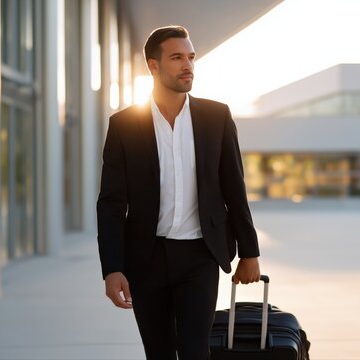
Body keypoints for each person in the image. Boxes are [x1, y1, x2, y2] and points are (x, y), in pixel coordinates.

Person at [96, 25, 261, 360]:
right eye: (176, 57)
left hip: (200, 256)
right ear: (153, 66)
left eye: (191, 57)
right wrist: (112, 269)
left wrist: (249, 251)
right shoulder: (124, 125)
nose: (188, 65)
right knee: (157, 353)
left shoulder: (216, 117)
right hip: (146, 258)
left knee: (195, 352)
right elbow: (112, 203)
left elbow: (234, 186)